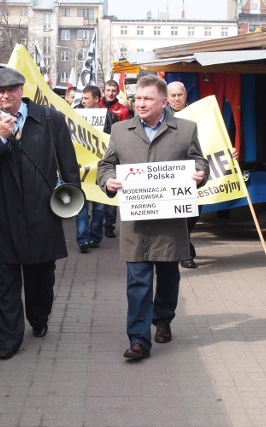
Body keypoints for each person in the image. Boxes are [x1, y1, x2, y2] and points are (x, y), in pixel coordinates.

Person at [0, 67, 80, 360]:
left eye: (11, 90)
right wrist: (1, 138)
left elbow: (68, 163)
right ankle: (8, 340)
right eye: (0, 91)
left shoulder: (49, 118)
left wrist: (70, 199)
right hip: (1, 218)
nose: (6, 96)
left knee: (41, 280)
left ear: (21, 90)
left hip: (42, 216)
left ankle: (39, 319)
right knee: (4, 283)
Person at [97, 75, 209, 360]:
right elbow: (106, 165)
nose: (140, 103)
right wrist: (108, 180)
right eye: (137, 99)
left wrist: (200, 173)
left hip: (170, 222)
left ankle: (163, 319)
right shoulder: (121, 130)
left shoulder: (185, 130)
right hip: (136, 223)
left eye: (147, 98)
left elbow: (200, 160)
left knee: (169, 276)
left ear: (163, 102)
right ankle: (138, 339)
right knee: (137, 281)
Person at [75, 85, 118, 253]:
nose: (83, 101)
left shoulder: (110, 118)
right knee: (81, 206)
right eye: (82, 98)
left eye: (86, 98)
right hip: (82, 169)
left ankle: (95, 237)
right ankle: (83, 239)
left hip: (101, 170)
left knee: (99, 208)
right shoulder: (76, 116)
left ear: (96, 99)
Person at [166, 81, 198, 268]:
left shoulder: (198, 113)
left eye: (180, 94)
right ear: (167, 97)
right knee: (179, 214)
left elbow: (213, 137)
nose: (177, 98)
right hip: (171, 174)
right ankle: (185, 253)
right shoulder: (160, 115)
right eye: (173, 95)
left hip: (194, 173)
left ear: (186, 95)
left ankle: (186, 244)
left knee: (194, 213)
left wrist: (228, 150)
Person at [100, 79, 130, 238]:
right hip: (95, 152)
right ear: (103, 91)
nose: (110, 93)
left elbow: (126, 133)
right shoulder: (95, 106)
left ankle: (109, 225)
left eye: (113, 90)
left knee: (112, 186)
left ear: (117, 92)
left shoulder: (123, 110)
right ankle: (94, 225)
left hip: (113, 154)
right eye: (108, 90)